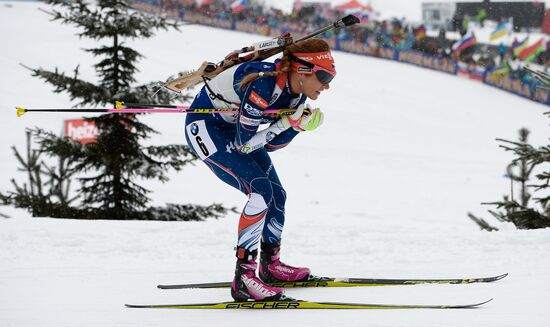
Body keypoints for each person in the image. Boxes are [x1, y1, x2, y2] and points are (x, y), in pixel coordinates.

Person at [184, 38, 335, 301]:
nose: (327, 85)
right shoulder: (264, 84)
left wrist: (296, 126)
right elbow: (244, 145)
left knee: (277, 196)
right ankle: (243, 277)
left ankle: (270, 266)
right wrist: (286, 123)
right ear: (302, 70)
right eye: (323, 75)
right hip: (207, 128)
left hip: (237, 131)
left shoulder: (297, 96)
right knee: (261, 193)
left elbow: (273, 144)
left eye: (331, 77)